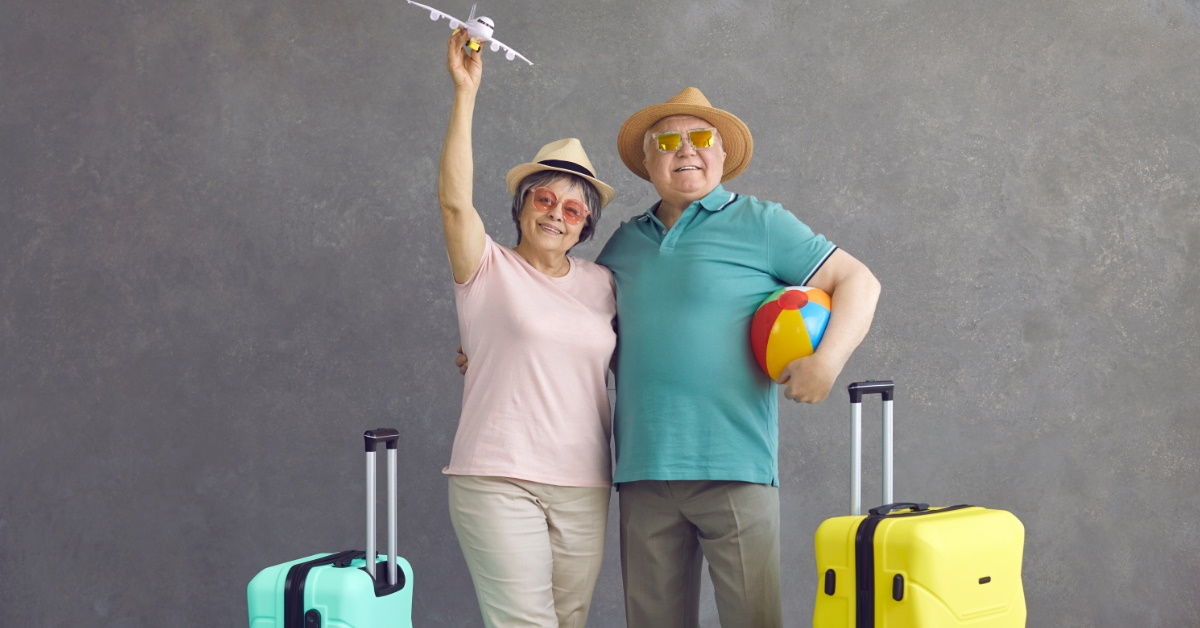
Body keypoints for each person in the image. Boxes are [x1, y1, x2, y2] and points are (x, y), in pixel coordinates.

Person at [594, 87, 881, 628]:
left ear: (722, 154)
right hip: (643, 470)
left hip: (736, 466)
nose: (686, 150)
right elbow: (575, 324)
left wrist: (827, 362)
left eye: (701, 138)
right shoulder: (623, 244)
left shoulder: (762, 223)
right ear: (647, 161)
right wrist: (489, 348)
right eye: (667, 142)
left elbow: (859, 281)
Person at [437, 30, 618, 628]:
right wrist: (465, 94)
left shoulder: (604, 284)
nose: (556, 215)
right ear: (520, 204)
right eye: (544, 199)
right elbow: (455, 204)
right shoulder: (485, 265)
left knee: (569, 621)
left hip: (585, 481)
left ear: (585, 226)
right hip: (498, 476)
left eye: (573, 210)